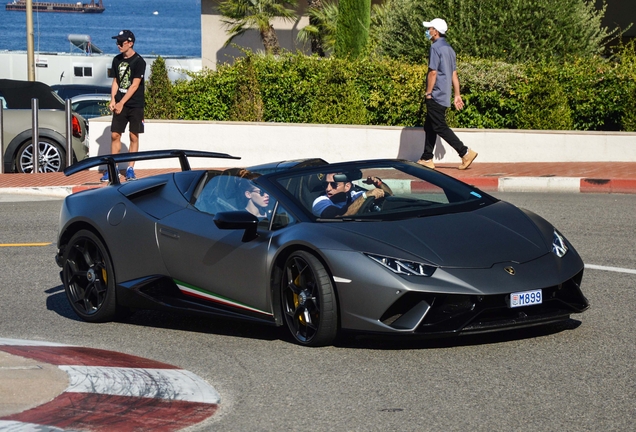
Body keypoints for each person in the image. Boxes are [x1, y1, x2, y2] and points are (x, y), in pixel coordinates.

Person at [418, 18, 477, 171]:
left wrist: (428, 93)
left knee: (439, 126)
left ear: (435, 31)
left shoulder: (435, 47)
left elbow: (432, 72)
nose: (428, 31)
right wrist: (457, 94)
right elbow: (454, 75)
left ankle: (464, 152)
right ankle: (427, 157)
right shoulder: (449, 49)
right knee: (429, 125)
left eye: (430, 28)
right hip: (445, 94)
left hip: (436, 94)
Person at [101, 29, 146, 182]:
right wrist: (113, 99)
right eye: (117, 42)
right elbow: (115, 81)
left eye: (121, 42)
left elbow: (134, 85)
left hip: (135, 104)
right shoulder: (116, 60)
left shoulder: (139, 62)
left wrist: (121, 102)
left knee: (134, 135)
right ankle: (112, 167)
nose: (118, 45)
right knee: (115, 135)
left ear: (130, 43)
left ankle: (130, 168)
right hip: (120, 102)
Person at [312, 173, 392, 218]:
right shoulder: (320, 202)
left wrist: (378, 183)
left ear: (347, 187)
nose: (328, 189)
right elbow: (340, 215)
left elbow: (389, 196)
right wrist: (365, 196)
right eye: (326, 184)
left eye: (333, 185)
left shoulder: (354, 195)